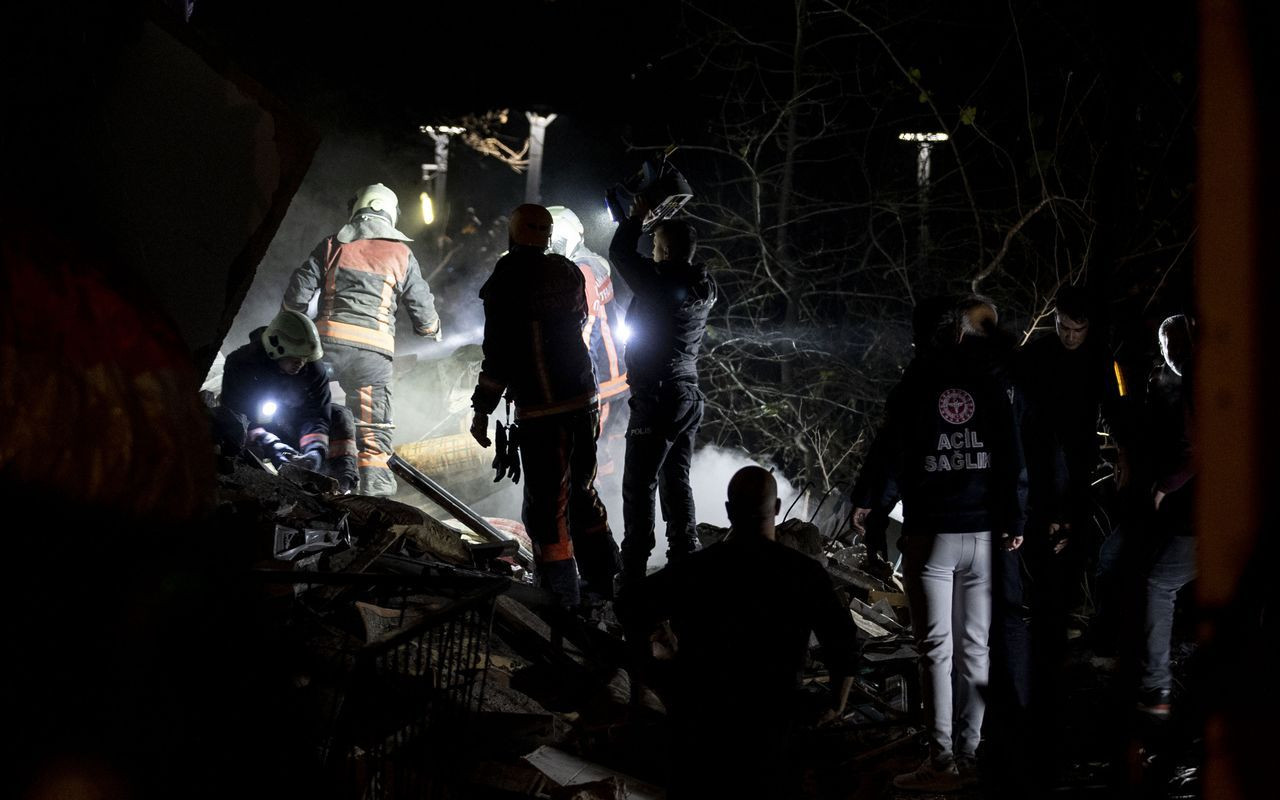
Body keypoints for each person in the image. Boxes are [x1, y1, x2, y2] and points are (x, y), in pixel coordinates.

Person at [858, 297, 1029, 792]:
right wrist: (1016, 514)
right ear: (961, 335)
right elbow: (1013, 454)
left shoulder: (914, 385)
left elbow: (890, 451)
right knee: (976, 649)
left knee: (936, 651)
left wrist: (869, 500)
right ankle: (972, 756)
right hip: (983, 533)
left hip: (931, 533)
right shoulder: (991, 384)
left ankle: (942, 761)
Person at [616, 466, 860, 798]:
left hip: (700, 724)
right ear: (775, 509)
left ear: (729, 511)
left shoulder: (697, 570)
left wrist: (657, 675)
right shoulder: (804, 573)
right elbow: (843, 642)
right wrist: (836, 701)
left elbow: (630, 606)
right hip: (772, 727)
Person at [468, 204, 620, 608]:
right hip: (584, 401)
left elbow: (498, 351)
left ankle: (561, 599)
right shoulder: (569, 272)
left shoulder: (505, 280)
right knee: (583, 493)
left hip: (543, 409)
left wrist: (482, 409)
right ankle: (607, 583)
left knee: (545, 509)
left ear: (513, 234)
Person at [282, 183, 441, 496]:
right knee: (372, 430)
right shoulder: (402, 254)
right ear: (392, 215)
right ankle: (371, 494)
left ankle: (301, 474)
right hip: (372, 357)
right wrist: (432, 329)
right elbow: (423, 312)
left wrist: (294, 320)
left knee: (309, 407)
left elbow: (297, 293)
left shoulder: (332, 244)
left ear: (357, 209)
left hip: (324, 348)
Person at [608, 198, 716, 586]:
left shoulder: (660, 285)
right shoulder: (702, 284)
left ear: (666, 251)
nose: (649, 253)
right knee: (676, 480)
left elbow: (619, 252)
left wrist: (636, 217)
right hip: (687, 394)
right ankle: (685, 562)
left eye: (654, 245)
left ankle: (633, 572)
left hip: (657, 396)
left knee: (639, 484)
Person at [220, 310, 358, 492]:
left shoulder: (312, 369)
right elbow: (233, 417)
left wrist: (315, 450)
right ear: (275, 347)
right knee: (229, 434)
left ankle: (342, 489)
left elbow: (318, 415)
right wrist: (269, 442)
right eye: (295, 357)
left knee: (340, 415)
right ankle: (253, 491)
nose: (300, 363)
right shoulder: (241, 364)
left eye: (304, 358)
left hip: (295, 428)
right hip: (255, 433)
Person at [1136, 314, 1196, 717]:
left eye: (1173, 346)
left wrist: (1164, 485)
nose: (1170, 355)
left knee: (1158, 584)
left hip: (1207, 515)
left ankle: (1157, 689)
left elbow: (1205, 448)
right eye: (1165, 348)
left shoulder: (1199, 383)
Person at [548, 205, 629, 476]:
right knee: (600, 447)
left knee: (590, 452)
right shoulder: (592, 262)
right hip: (610, 378)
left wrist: (574, 381)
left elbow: (584, 330)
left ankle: (590, 508)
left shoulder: (581, 271)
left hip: (601, 381)